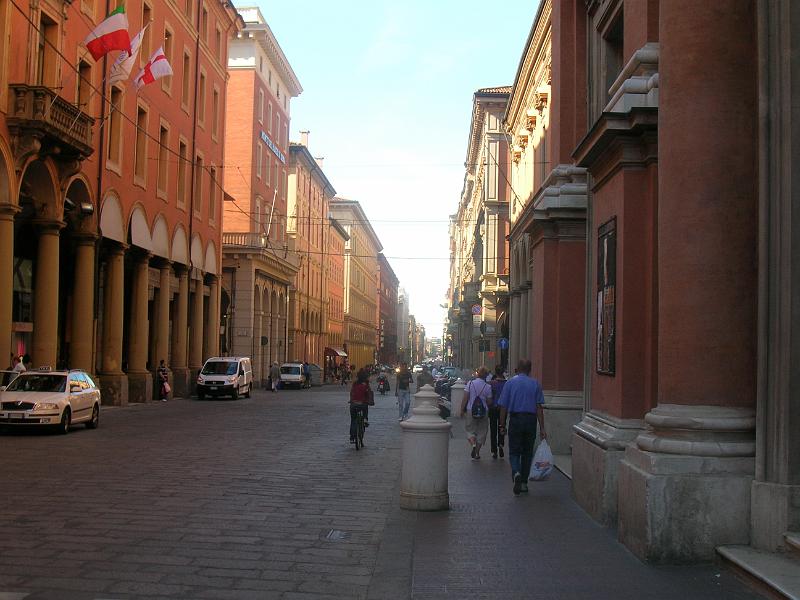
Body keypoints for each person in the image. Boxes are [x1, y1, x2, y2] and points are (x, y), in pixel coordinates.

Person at [497, 359, 546, 495]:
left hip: (516, 419)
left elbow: (503, 406)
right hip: (530, 420)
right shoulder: (535, 384)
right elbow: (539, 407)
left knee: (514, 450)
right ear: (530, 369)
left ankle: (516, 472)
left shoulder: (510, 383)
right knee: (527, 452)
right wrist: (542, 428)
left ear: (517, 368)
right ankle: (524, 483)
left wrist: (502, 425)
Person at [460, 366, 492, 460]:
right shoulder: (488, 386)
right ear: (486, 375)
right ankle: (477, 452)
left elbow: (465, 397)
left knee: (470, 430)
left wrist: (462, 409)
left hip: (471, 410)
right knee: (482, 431)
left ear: (478, 374)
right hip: (483, 411)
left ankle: (473, 444)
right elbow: (489, 401)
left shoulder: (470, 384)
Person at [488, 365, 507, 459]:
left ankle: (494, 450)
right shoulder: (506, 384)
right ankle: (501, 444)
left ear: (495, 372)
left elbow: (489, 396)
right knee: (502, 426)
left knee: (493, 429)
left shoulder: (491, 383)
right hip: (503, 408)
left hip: (493, 408)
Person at [349, 369, 373, 443]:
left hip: (353, 404)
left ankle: (352, 437)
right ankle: (365, 419)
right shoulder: (366, 384)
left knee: (353, 420)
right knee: (365, 408)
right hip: (362, 404)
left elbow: (351, 393)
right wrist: (370, 401)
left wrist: (351, 400)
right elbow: (369, 394)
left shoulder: (355, 384)